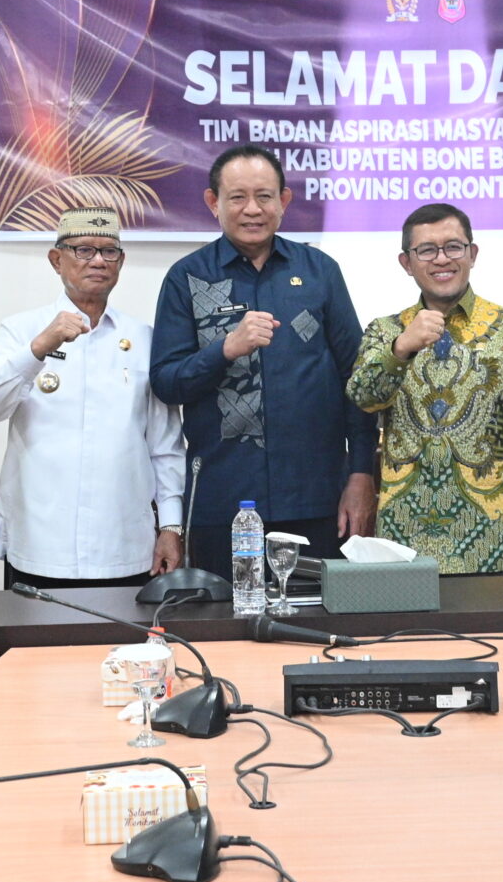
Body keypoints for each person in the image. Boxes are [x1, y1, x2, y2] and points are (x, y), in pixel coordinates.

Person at [151, 146, 377, 577]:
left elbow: (358, 380)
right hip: (225, 503)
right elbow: (166, 382)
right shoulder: (186, 278)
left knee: (318, 622)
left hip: (317, 498)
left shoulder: (320, 272)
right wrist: (224, 349)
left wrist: (361, 475)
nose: (251, 209)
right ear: (213, 203)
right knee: (227, 629)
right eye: (237, 197)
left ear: (284, 202)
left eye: (264, 196)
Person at [347, 204, 503, 575]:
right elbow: (363, 398)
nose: (441, 259)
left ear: (472, 254)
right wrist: (401, 349)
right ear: (406, 262)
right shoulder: (385, 331)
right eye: (427, 250)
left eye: (453, 247)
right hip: (404, 545)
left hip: (499, 541)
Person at [0, 208, 186, 588]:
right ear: (56, 260)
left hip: (123, 545)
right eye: (84, 250)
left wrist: (171, 525)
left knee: (125, 649)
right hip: (40, 544)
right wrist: (38, 348)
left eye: (110, 252)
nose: (99, 261)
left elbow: (165, 445)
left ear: (122, 262)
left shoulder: (143, 339)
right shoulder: (21, 330)